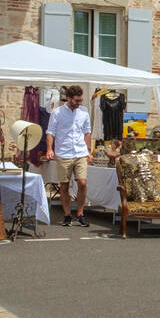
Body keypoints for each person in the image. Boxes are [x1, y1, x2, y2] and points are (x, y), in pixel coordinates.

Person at [45, 84, 93, 227]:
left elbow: (87, 132)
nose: (79, 103)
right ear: (68, 98)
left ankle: (80, 213)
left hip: (80, 152)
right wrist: (49, 149)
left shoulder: (84, 112)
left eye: (81, 100)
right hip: (63, 153)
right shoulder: (57, 113)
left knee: (82, 183)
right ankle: (67, 215)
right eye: (77, 101)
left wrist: (88, 151)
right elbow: (50, 132)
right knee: (64, 186)